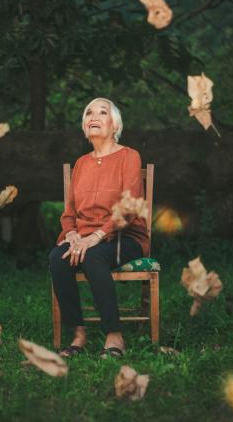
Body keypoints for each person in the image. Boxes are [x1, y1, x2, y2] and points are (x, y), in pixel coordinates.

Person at [48, 98, 149, 359]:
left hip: (125, 236)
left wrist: (95, 236)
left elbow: (128, 209)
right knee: (57, 258)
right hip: (84, 238)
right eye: (88, 112)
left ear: (114, 124)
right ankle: (78, 334)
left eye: (102, 112)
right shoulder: (81, 163)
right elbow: (69, 212)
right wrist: (71, 234)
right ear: (84, 126)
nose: (93, 116)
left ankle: (114, 336)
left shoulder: (129, 156)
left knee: (94, 256)